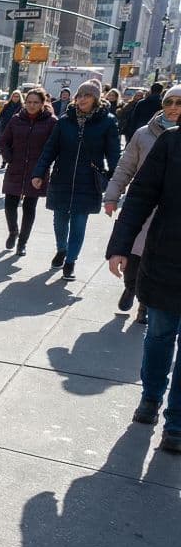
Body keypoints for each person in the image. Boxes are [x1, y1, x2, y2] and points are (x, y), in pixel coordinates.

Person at [106, 113, 181, 453]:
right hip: (168, 257)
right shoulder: (172, 141)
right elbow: (140, 196)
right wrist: (120, 245)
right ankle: (151, 398)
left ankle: (176, 423)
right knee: (161, 334)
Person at [105, 84, 181, 323]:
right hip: (142, 208)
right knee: (133, 256)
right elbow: (125, 168)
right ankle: (131, 287)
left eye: (179, 103)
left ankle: (145, 306)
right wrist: (111, 196)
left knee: (154, 259)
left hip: (169, 214)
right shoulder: (143, 134)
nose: (173, 108)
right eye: (169, 102)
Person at [30, 80, 120, 282]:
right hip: (62, 176)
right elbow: (50, 149)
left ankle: (70, 261)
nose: (82, 99)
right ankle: (62, 249)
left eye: (87, 96)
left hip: (88, 180)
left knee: (79, 221)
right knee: (59, 219)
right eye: (79, 95)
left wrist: (115, 179)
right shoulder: (64, 121)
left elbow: (114, 153)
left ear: (96, 99)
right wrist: (39, 172)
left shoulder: (107, 121)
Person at [0, 88, 56, 257]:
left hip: (36, 171)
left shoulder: (51, 122)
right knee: (10, 204)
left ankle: (22, 242)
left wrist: (45, 167)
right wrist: (9, 157)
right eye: (29, 102)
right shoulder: (17, 119)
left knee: (29, 208)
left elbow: (54, 146)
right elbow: (4, 141)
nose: (31, 105)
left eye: (36, 102)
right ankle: (13, 231)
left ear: (42, 103)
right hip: (15, 168)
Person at [0, 90, 23, 154]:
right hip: (5, 126)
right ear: (12, 97)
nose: (15, 98)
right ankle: (4, 158)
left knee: (12, 142)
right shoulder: (7, 105)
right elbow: (1, 114)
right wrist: (0, 121)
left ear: (20, 97)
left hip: (16, 127)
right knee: (4, 141)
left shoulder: (22, 106)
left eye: (17, 96)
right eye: (14, 96)